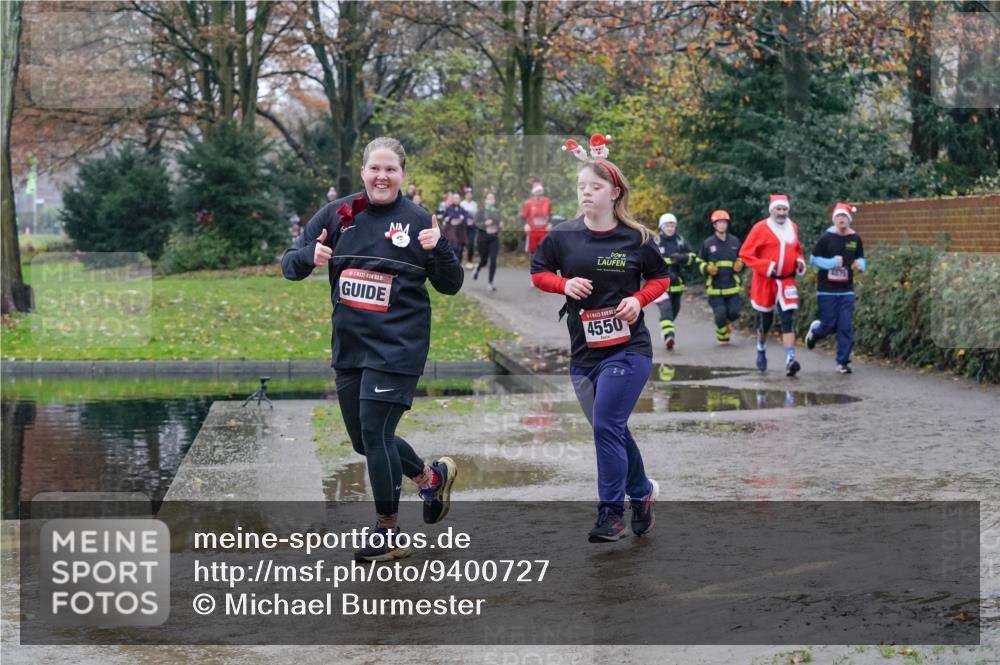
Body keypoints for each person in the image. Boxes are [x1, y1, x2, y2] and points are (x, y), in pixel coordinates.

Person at [280, 137, 463, 562]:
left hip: (398, 347)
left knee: (376, 434)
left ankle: (388, 531)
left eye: (391, 170)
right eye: (374, 169)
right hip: (351, 347)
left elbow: (451, 285)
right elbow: (289, 265)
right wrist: (311, 254)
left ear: (402, 175)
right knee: (365, 441)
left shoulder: (419, 221)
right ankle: (430, 477)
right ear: (362, 172)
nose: (382, 176)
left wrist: (441, 249)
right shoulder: (337, 215)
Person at [530, 157, 670, 543]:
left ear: (614, 192)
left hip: (629, 349)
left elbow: (661, 278)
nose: (586, 193)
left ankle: (610, 514)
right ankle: (642, 494)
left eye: (594, 186)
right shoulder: (563, 236)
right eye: (581, 187)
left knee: (607, 425)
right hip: (584, 351)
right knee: (609, 427)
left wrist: (640, 300)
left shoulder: (636, 238)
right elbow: (538, 271)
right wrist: (563, 285)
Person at [738, 194, 807, 376]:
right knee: (766, 321)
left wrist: (800, 261)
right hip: (766, 281)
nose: (782, 213)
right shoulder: (761, 228)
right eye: (778, 209)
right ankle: (761, 348)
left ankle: (790, 360)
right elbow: (745, 253)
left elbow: (797, 249)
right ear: (772, 210)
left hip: (787, 281)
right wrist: (765, 266)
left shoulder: (793, 227)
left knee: (788, 320)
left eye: (784, 209)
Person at [806, 202, 866, 374]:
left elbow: (862, 258)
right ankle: (816, 331)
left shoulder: (855, 238)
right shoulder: (826, 237)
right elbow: (813, 259)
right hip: (827, 289)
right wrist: (831, 263)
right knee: (829, 325)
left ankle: (843, 362)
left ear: (849, 220)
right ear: (834, 219)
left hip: (846, 290)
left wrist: (859, 265)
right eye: (839, 216)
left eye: (844, 217)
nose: (842, 219)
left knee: (845, 326)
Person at [653, 213, 699, 350]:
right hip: (659, 285)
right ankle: (669, 336)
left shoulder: (680, 241)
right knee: (666, 310)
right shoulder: (655, 242)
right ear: (662, 227)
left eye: (672, 225)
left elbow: (693, 257)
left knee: (673, 312)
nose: (670, 228)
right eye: (667, 225)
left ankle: (666, 329)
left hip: (677, 285)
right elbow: (647, 261)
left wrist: (682, 258)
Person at [697, 210, 743, 345]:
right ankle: (723, 336)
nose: (722, 225)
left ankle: (725, 329)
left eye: (724, 222)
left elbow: (743, 256)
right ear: (714, 225)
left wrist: (740, 263)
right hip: (715, 289)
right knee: (720, 315)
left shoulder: (735, 241)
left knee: (734, 313)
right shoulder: (708, 243)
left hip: (732, 287)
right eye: (719, 223)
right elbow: (699, 261)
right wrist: (706, 268)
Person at [473, 191, 502, 290]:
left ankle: (490, 283)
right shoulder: (481, 211)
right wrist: (485, 223)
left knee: (493, 259)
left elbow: (498, 224)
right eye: (489, 198)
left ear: (494, 201)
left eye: (492, 198)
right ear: (486, 200)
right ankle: (477, 268)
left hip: (494, 238)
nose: (491, 200)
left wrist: (500, 226)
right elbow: (475, 224)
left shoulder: (496, 211)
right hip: (482, 239)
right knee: (484, 260)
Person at [521, 181, 552, 256]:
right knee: (533, 253)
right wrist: (525, 225)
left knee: (545, 252)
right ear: (533, 192)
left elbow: (550, 214)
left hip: (544, 230)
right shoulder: (528, 203)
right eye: (537, 191)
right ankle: (534, 267)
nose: (539, 192)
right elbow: (523, 216)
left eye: (540, 190)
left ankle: (544, 267)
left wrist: (550, 223)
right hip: (532, 231)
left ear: (542, 191)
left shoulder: (547, 201)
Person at [440, 192, 470, 261]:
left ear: (460, 200)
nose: (456, 200)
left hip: (460, 231)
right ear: (453, 200)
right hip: (451, 231)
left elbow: (468, 217)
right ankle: (453, 263)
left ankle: (459, 263)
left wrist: (464, 217)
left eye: (458, 198)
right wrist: (447, 218)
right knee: (453, 247)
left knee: (460, 249)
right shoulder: (448, 208)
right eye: (455, 198)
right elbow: (444, 217)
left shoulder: (462, 209)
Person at [460, 187, 479, 269]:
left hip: (472, 227)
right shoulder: (462, 204)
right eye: (467, 194)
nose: (469, 195)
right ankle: (459, 262)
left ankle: (469, 261)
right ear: (465, 195)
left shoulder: (475, 204)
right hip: (463, 227)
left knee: (471, 244)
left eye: (470, 194)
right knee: (461, 244)